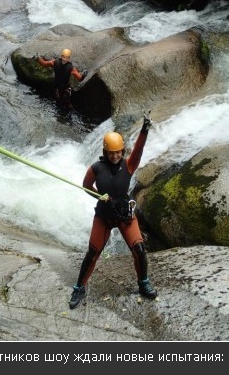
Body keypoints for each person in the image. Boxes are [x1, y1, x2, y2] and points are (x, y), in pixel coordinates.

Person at [69, 111, 157, 309]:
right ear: (106, 152)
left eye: (118, 152)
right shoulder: (96, 168)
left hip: (124, 214)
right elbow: (86, 186)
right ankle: (78, 288)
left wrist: (145, 129)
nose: (115, 155)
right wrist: (99, 195)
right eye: (111, 152)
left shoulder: (129, 165)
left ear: (122, 151)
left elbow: (139, 150)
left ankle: (143, 283)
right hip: (104, 215)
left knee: (139, 249)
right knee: (92, 252)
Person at [34, 48, 87, 114]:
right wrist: (38, 59)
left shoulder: (71, 68)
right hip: (57, 88)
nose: (65, 59)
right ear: (61, 56)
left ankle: (67, 113)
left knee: (67, 103)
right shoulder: (55, 62)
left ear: (69, 58)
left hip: (65, 89)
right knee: (59, 102)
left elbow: (79, 78)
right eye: (63, 57)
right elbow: (44, 64)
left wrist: (84, 75)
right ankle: (61, 114)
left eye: (67, 58)